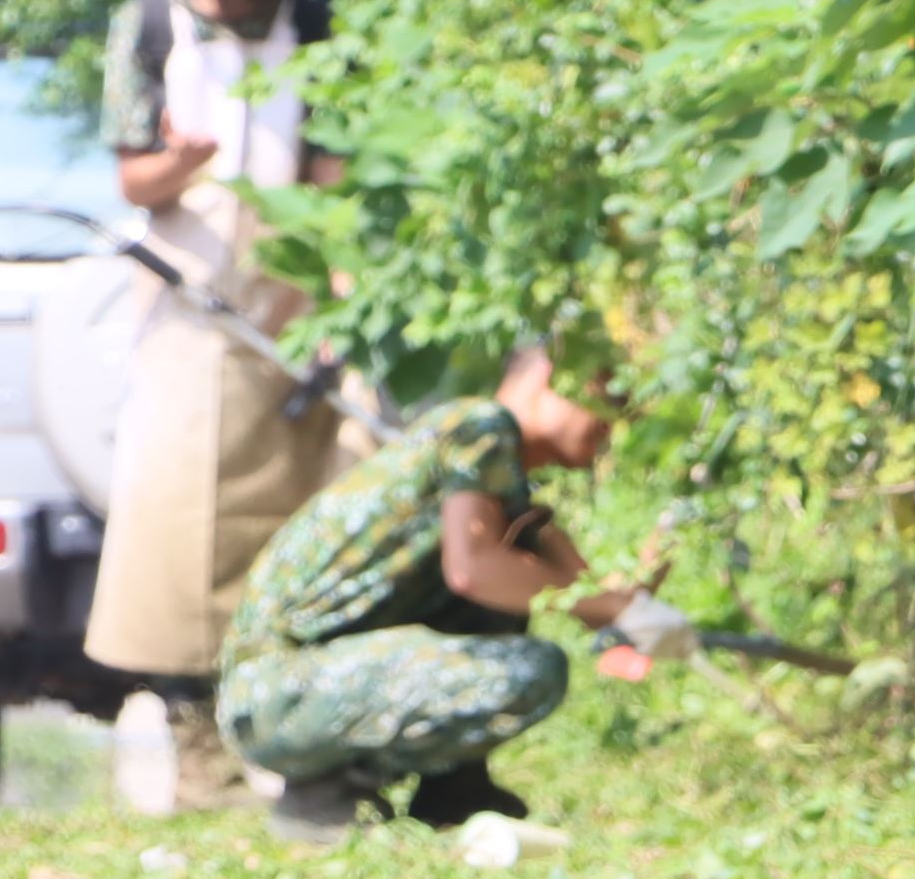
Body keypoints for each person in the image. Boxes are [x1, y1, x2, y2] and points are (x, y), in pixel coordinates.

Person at [80, 0, 355, 796]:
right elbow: (132, 175)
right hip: (191, 296)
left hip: (293, 283)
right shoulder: (150, 21)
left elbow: (333, 167)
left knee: (311, 503)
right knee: (178, 525)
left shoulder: (312, 17)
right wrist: (182, 162)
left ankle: (311, 734)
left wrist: (340, 293)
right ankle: (202, 744)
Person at [215, 339, 635, 838]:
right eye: (606, 395)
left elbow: (574, 589)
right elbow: (474, 569)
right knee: (531, 667)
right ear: (548, 377)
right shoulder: (477, 425)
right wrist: (613, 606)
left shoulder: (503, 485)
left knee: (501, 611)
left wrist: (633, 606)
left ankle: (455, 792)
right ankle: (326, 793)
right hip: (276, 692)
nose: (616, 419)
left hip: (303, 686)